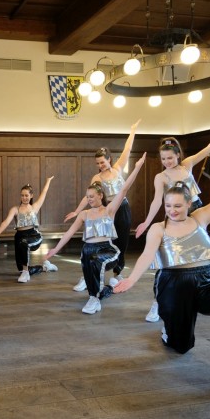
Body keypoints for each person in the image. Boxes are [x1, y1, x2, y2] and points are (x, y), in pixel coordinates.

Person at [114, 158, 210, 401]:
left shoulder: (200, 218)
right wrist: (131, 280)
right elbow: (147, 255)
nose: (172, 210)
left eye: (178, 206)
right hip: (173, 284)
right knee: (181, 346)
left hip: (206, 280)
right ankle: (170, 330)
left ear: (189, 203)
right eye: (168, 206)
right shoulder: (159, 228)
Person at [135, 120, 210, 322]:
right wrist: (146, 222)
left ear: (178, 155)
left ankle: (204, 289)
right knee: (168, 261)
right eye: (163, 158)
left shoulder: (187, 164)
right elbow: (157, 201)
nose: (167, 161)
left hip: (196, 210)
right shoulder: (161, 177)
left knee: (196, 256)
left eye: (170, 158)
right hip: (175, 214)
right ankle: (158, 302)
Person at [46, 154, 146, 314]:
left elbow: (124, 188)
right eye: (87, 197)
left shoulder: (109, 210)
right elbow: (69, 233)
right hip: (88, 249)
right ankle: (102, 292)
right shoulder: (84, 214)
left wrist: (137, 167)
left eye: (92, 196)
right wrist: (55, 249)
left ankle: (94, 299)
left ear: (100, 195)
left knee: (95, 262)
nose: (89, 199)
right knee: (89, 264)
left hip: (107, 249)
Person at [65, 120, 141, 293]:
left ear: (109, 159)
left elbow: (128, 149)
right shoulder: (96, 178)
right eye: (97, 163)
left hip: (123, 209)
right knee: (104, 243)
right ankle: (88, 276)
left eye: (102, 162)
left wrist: (133, 130)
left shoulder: (118, 168)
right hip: (107, 211)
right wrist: (77, 211)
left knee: (122, 241)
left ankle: (117, 274)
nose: (100, 166)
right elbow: (89, 196)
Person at [0, 177, 58, 283]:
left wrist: (48, 181)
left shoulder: (35, 207)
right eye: (22, 195)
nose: (24, 198)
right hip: (19, 237)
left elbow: (44, 192)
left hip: (33, 235)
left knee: (24, 244)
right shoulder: (15, 209)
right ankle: (45, 267)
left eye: (26, 195)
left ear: (31, 196)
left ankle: (26, 273)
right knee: (21, 268)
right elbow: (5, 222)